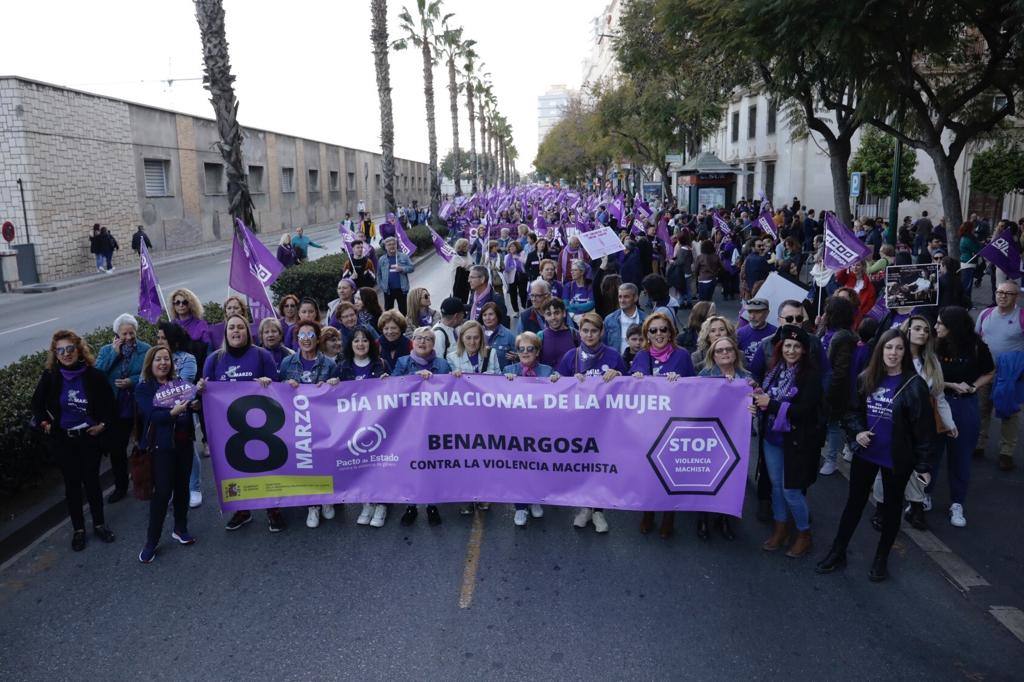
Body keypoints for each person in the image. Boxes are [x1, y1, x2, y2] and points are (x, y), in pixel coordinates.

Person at [816, 329, 934, 582]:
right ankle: (838, 551)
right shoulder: (865, 378)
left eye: (899, 348)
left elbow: (924, 430)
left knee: (891, 510)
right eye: (889, 347)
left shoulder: (915, 385)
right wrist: (857, 433)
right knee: (853, 505)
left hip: (896, 459)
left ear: (905, 352)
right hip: (867, 454)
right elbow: (851, 413)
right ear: (880, 349)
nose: (893, 353)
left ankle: (881, 558)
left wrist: (924, 465)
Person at [31, 330, 117, 551]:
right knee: (72, 486)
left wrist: (103, 425)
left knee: (92, 483)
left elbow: (109, 407)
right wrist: (45, 423)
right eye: (60, 350)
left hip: (88, 438)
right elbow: (37, 406)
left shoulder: (93, 376)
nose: (66, 354)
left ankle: (99, 524)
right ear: (55, 354)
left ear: (79, 350)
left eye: (70, 349)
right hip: (64, 440)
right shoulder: (50, 377)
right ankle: (79, 529)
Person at [197, 315, 281, 532]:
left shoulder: (262, 355)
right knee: (235, 470)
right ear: (226, 333)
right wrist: (201, 389)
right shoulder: (214, 360)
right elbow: (206, 395)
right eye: (231, 327)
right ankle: (242, 510)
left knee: (266, 468)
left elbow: (279, 391)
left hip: (263, 426)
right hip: (229, 428)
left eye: (240, 327)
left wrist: (267, 384)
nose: (236, 331)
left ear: (248, 332)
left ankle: (273, 509)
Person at [751, 325, 823, 558]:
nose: (791, 350)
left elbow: (804, 410)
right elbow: (769, 397)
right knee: (775, 484)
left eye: (796, 346)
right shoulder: (775, 370)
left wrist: (769, 404)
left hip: (796, 441)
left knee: (791, 489)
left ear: (804, 350)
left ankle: (804, 534)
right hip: (772, 437)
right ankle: (780, 528)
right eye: (787, 346)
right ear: (780, 348)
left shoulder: (810, 376)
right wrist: (759, 392)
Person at [556, 311, 626, 534]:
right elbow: (556, 387)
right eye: (585, 331)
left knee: (601, 467)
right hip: (579, 423)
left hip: (606, 424)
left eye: (594, 331)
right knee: (583, 467)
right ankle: (585, 509)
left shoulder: (614, 356)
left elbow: (633, 388)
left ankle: (599, 512)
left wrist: (619, 375)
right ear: (580, 332)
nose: (589, 335)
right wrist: (568, 381)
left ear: (601, 332)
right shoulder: (571, 357)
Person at [631, 312, 695, 539]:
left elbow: (696, 390)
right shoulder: (641, 356)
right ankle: (648, 513)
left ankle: (669, 516)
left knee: (670, 474)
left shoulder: (683, 356)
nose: (659, 334)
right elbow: (627, 394)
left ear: (671, 332)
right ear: (647, 334)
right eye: (653, 330)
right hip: (647, 427)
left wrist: (681, 384)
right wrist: (635, 379)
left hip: (674, 427)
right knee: (649, 473)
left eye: (663, 329)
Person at [135, 346, 199, 563]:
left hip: (184, 444)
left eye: (166, 359)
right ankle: (151, 542)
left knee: (182, 488)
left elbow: (191, 406)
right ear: (150, 364)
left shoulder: (179, 384)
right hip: (161, 448)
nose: (163, 363)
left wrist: (194, 406)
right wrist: (174, 412)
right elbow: (154, 416)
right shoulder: (144, 388)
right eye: (158, 360)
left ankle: (180, 528)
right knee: (162, 493)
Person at [933, 306, 994, 528]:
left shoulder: (977, 346)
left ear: (954, 327)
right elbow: (926, 375)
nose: (936, 327)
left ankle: (957, 502)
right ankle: (923, 495)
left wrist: (973, 386)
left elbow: (989, 371)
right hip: (938, 403)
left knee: (960, 457)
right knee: (931, 453)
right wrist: (951, 385)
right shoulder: (934, 344)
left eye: (941, 324)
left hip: (964, 406)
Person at [389, 327, 451, 527]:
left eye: (427, 339)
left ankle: (432, 505)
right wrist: (416, 377)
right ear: (412, 342)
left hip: (435, 423)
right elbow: (392, 387)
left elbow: (451, 390)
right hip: (408, 424)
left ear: (433, 344)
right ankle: (411, 506)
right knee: (411, 465)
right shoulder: (402, 362)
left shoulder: (442, 364)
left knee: (432, 465)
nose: (422, 342)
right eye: (418, 338)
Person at [278, 320, 337, 530]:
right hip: (297, 424)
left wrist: (332, 385)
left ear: (318, 338)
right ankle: (313, 504)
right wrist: (285, 386)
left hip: (322, 423)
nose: (305, 339)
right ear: (296, 339)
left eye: (310, 334)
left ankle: (327, 499)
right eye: (301, 335)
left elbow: (340, 397)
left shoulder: (329, 364)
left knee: (324, 459)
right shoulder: (287, 364)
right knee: (305, 462)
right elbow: (275, 394)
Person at [330, 326, 389, 527]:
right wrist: (331, 384)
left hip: (377, 424)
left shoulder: (381, 364)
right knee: (360, 465)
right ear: (350, 344)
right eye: (356, 341)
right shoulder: (342, 367)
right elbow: (329, 396)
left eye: (364, 340)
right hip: (352, 426)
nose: (361, 344)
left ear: (371, 343)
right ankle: (366, 502)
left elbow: (394, 391)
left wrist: (388, 382)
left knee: (378, 464)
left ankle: (381, 504)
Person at [697, 335, 752, 540]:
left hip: (735, 436)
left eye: (728, 349)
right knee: (705, 476)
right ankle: (702, 518)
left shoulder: (746, 377)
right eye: (719, 350)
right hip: (709, 434)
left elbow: (754, 402)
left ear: (735, 353)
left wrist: (752, 406)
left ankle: (724, 518)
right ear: (713, 354)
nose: (725, 353)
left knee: (728, 477)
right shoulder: (705, 375)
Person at [94, 313, 151, 503]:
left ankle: (148, 480)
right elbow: (97, 375)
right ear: (117, 335)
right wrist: (114, 354)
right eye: (124, 334)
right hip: (116, 408)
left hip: (137, 405)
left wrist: (131, 381)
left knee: (145, 444)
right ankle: (120, 486)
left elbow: (150, 374)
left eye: (131, 333)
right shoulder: (106, 350)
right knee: (117, 449)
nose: (128, 337)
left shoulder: (145, 350)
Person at [974, 281, 1024, 471]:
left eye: (1008, 293)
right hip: (986, 372)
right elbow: (977, 339)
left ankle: (1006, 452)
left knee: (1009, 413)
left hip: (1010, 375)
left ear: (1016, 296)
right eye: (999, 292)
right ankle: (978, 444)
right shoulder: (985, 314)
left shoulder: (1021, 316)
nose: (1003, 296)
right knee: (981, 408)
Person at [157, 320, 204, 508]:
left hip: (182, 414)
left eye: (163, 338)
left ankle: (194, 487)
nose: (159, 341)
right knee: (166, 453)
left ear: (174, 341)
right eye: (158, 338)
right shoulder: (154, 356)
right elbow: (146, 381)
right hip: (160, 415)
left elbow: (183, 388)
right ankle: (173, 489)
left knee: (187, 450)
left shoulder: (187, 359)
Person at [819, 297, 859, 476]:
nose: (824, 313)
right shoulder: (826, 331)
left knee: (833, 425)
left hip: (833, 391)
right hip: (819, 385)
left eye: (828, 310)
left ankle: (832, 459)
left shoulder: (843, 337)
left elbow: (839, 371)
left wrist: (828, 393)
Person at [170, 288, 211, 366]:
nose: (181, 305)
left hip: (198, 365)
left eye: (184, 302)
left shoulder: (201, 324)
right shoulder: (171, 325)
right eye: (177, 302)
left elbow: (209, 350)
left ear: (190, 304)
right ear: (174, 305)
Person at [601, 282, 646, 354]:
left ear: (635, 298)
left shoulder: (646, 319)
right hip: (616, 362)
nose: (622, 300)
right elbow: (603, 344)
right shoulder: (609, 319)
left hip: (640, 361)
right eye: (620, 297)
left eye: (626, 297)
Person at [376, 237, 415, 314]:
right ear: (385, 247)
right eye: (389, 244)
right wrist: (382, 286)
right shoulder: (382, 259)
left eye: (394, 244)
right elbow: (379, 275)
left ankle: (404, 325)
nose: (392, 246)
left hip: (401, 289)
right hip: (388, 290)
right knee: (388, 311)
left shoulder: (403, 256)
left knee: (403, 311)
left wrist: (402, 269)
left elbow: (412, 267)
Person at [537, 298, 579, 368]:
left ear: (564, 313)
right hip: (547, 378)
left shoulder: (576, 335)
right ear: (545, 317)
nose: (553, 317)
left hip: (570, 378)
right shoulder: (540, 336)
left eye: (556, 313)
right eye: (549, 314)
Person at [737, 298, 776, 367]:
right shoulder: (739, 333)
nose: (752, 316)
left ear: (767, 313)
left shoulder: (775, 333)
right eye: (750, 312)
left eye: (757, 312)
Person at [480, 302, 516, 370]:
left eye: (491, 314)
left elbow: (519, 358)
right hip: (481, 377)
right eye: (484, 315)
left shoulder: (509, 335)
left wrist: (516, 358)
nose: (487, 318)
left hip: (502, 377)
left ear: (497, 315)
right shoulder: (477, 333)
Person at [504, 240, 529, 313]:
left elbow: (526, 262)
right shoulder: (507, 256)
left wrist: (518, 258)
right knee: (513, 294)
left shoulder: (522, 253)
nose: (511, 248)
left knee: (523, 293)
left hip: (522, 276)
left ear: (517, 247)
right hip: (511, 276)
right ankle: (516, 311)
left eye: (513, 246)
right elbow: (505, 267)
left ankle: (524, 308)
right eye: (510, 247)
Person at [958, 222, 981, 303]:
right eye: (973, 227)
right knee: (967, 284)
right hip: (968, 262)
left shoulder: (965, 238)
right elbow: (976, 249)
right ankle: (966, 303)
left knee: (967, 283)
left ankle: (966, 302)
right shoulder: (968, 239)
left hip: (967, 261)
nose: (974, 229)